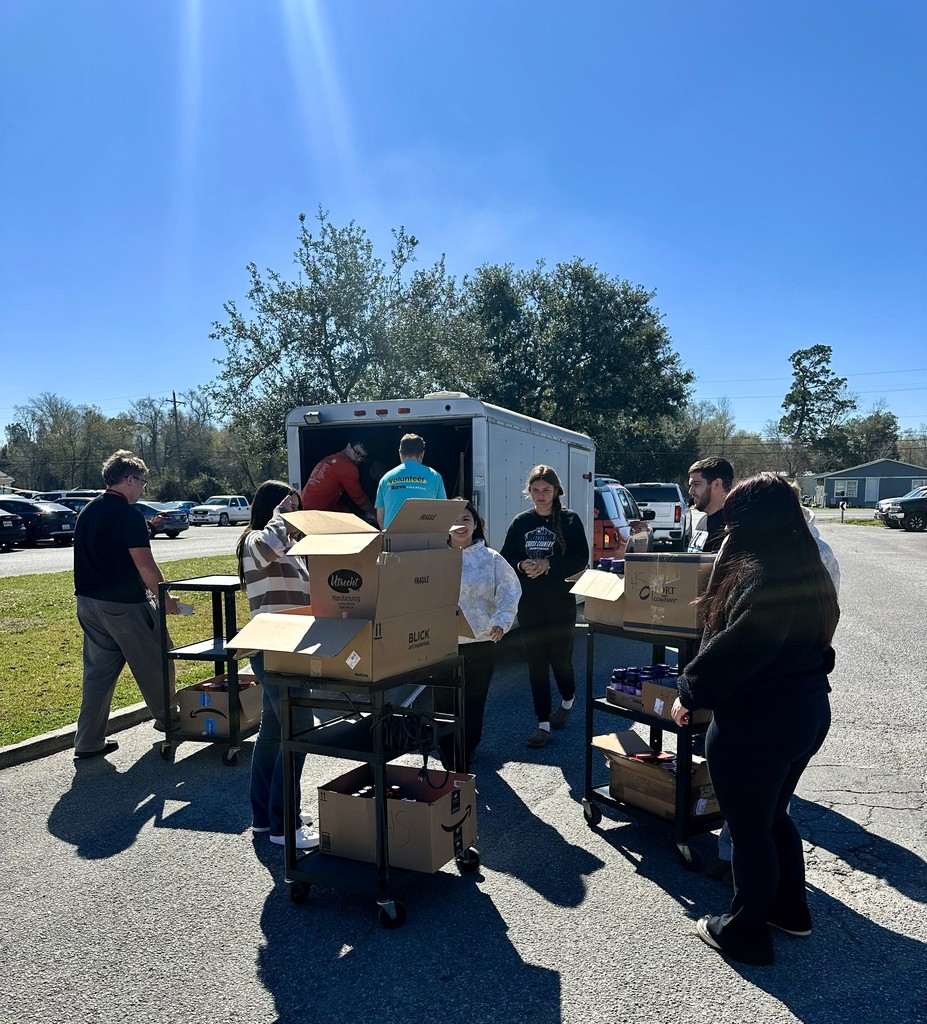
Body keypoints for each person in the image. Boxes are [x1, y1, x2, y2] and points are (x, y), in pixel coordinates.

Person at [670, 473, 840, 966]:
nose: (726, 529)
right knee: (773, 816)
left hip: (758, 720)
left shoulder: (759, 572)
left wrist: (691, 690)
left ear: (748, 520)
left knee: (747, 829)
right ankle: (791, 911)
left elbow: (741, 644)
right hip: (807, 712)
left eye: (733, 519)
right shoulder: (808, 566)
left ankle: (745, 930)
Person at [72, 451, 182, 759]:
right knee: (157, 661)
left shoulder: (89, 510)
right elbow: (146, 567)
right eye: (143, 482)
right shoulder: (127, 514)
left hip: (88, 604)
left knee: (97, 676)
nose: (143, 489)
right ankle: (171, 722)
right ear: (129, 479)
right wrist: (166, 598)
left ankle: (88, 741)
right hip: (124, 606)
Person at [237, 480, 319, 850]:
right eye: (290, 506)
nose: (295, 515)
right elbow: (269, 547)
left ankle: (264, 818)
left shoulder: (291, 548)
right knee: (297, 730)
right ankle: (285, 827)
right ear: (274, 507)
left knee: (273, 733)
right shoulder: (256, 540)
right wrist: (281, 515)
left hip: (290, 647)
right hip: (274, 649)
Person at [501, 465, 589, 749]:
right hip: (529, 604)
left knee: (560, 660)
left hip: (560, 602)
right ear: (529, 492)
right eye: (535, 490)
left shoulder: (570, 520)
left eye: (546, 490)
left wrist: (549, 563)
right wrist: (520, 564)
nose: (541, 496)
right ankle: (542, 724)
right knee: (536, 664)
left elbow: (580, 558)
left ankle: (567, 699)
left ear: (556, 491)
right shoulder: (520, 522)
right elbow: (505, 557)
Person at [435, 500, 521, 771]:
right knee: (444, 704)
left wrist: (501, 622)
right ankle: (449, 755)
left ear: (476, 525)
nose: (461, 525)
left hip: (480, 641)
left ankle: (469, 746)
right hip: (441, 643)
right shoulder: (432, 558)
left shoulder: (491, 559)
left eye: (467, 519)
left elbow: (510, 591)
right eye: (455, 519)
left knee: (473, 700)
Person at [375, 433, 446, 528]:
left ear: (400, 453)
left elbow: (380, 516)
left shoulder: (385, 478)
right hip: (426, 537)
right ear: (422, 454)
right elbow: (443, 511)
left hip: (394, 538)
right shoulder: (435, 476)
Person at [300, 440, 377, 523]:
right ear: (348, 446)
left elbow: (329, 494)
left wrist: (350, 513)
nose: (359, 459)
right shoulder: (348, 467)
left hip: (302, 510)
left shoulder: (329, 459)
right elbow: (360, 500)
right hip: (313, 516)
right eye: (357, 453)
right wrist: (377, 514)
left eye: (363, 457)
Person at [687, 456, 735, 553]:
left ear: (716, 484)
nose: (690, 492)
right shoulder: (702, 521)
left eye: (696, 484)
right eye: (690, 485)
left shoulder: (733, 525)